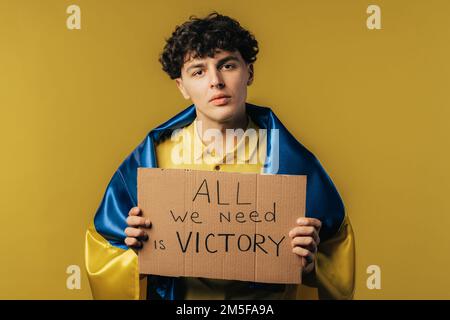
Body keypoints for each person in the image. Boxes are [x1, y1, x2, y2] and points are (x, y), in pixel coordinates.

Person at [85, 12, 355, 300]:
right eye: (198, 71)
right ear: (182, 87)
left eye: (227, 65)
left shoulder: (293, 163)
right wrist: (134, 256)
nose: (215, 81)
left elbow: (335, 247)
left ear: (249, 72)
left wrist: (312, 264)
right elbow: (105, 247)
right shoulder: (151, 159)